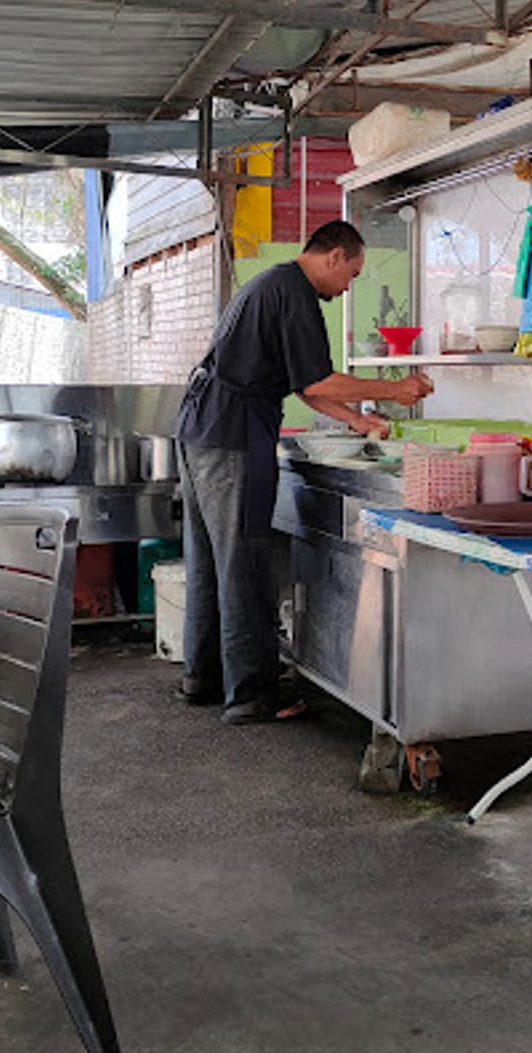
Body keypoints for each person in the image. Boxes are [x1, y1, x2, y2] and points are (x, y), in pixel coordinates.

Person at [175, 219, 432, 724]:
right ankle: (251, 695)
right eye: (352, 274)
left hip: (201, 429)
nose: (348, 286)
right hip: (233, 435)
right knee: (244, 562)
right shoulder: (295, 294)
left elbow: (308, 390)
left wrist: (358, 419)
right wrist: (394, 389)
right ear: (333, 256)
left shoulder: (272, 285)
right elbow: (319, 379)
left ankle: (203, 678)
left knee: (208, 558)